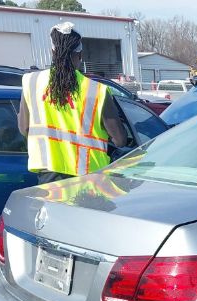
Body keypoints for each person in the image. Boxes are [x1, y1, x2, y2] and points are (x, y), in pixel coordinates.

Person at [18, 22, 127, 185]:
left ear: (52, 51)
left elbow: (24, 129)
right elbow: (120, 140)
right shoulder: (96, 90)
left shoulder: (31, 82)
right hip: (89, 176)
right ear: (80, 55)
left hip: (49, 174)